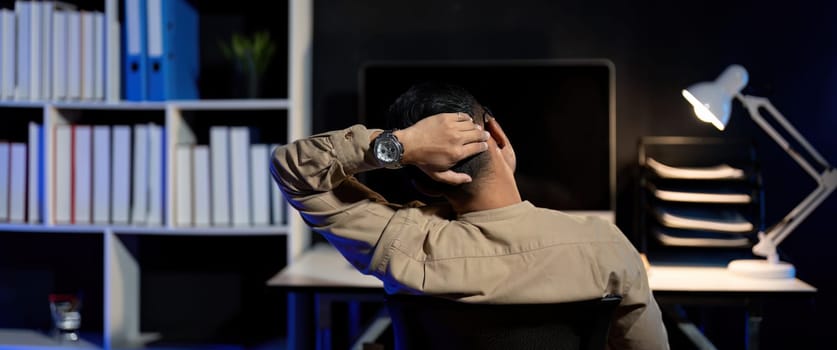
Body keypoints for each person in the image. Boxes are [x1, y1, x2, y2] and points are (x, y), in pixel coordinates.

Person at [270, 82, 669, 349]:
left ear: (421, 181)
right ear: (497, 135)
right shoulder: (606, 248)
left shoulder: (400, 242)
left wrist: (402, 145)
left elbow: (292, 169)